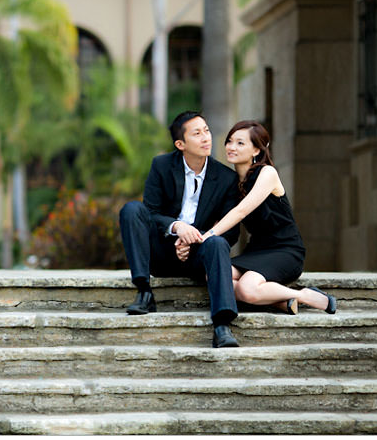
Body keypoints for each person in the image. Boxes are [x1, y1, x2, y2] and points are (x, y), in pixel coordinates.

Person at [119, 111, 243, 348]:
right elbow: (151, 212)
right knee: (132, 210)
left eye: (206, 130)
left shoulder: (226, 178)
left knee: (218, 242)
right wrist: (177, 227)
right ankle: (144, 292)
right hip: (162, 253)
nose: (206, 137)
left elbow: (231, 232)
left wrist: (194, 239)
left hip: (200, 255)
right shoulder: (162, 166)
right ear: (180, 144)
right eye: (197, 133)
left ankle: (222, 325)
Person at [195, 120, 337, 314]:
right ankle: (281, 301)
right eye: (229, 141)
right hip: (256, 251)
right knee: (216, 275)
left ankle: (305, 295)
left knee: (247, 288)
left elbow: (240, 211)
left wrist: (207, 236)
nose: (231, 147)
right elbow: (220, 220)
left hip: (285, 249)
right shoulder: (231, 182)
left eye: (240, 143)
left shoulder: (267, 173)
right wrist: (189, 240)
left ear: (256, 150)